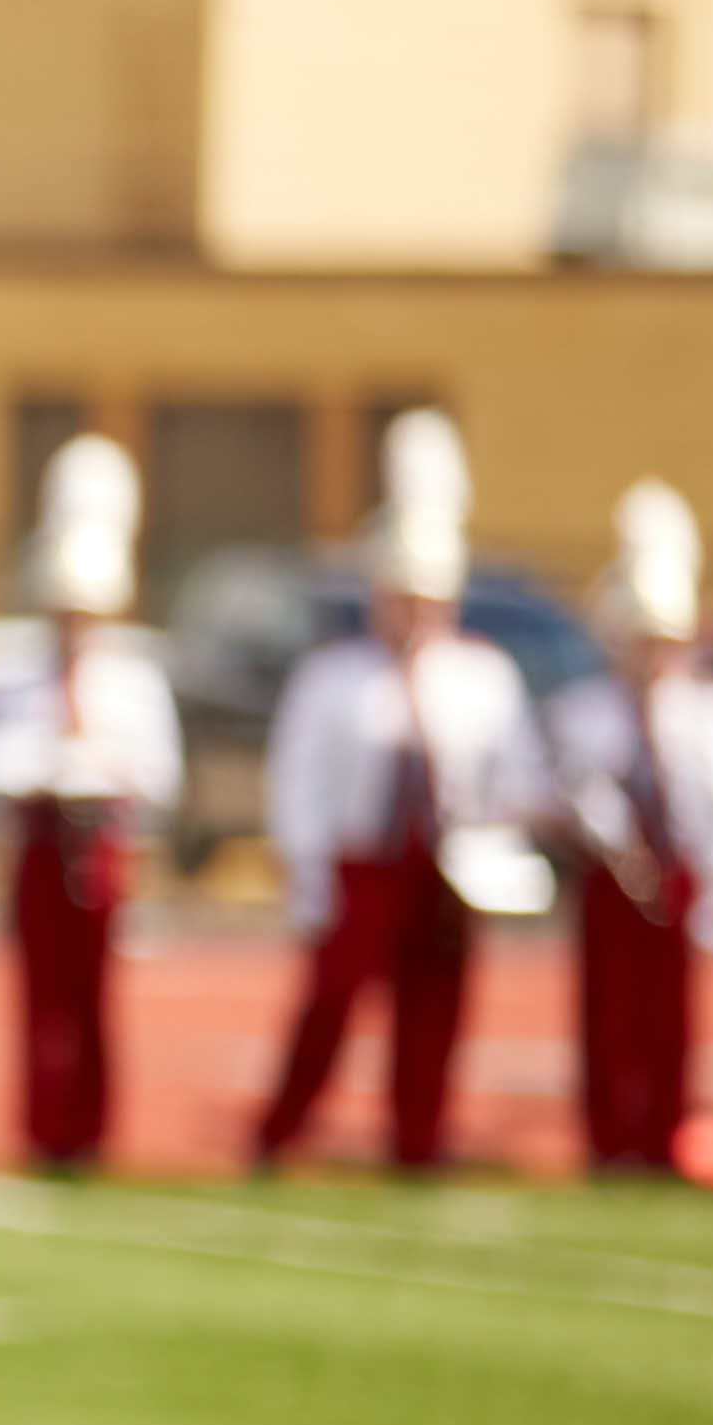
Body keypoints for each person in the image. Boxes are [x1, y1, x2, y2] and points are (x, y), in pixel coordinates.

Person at [250, 409, 548, 1179]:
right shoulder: (334, 677)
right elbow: (298, 780)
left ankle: (419, 1140)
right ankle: (280, 1134)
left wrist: (500, 848)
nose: (411, 615)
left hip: (446, 869)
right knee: (334, 1001)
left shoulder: (483, 678)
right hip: (362, 864)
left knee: (436, 1009)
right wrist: (308, 870)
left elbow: (515, 777)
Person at [0, 439, 179, 1176]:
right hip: (38, 845)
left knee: (95, 999)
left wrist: (102, 764)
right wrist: (40, 762)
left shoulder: (135, 678)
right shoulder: (12, 672)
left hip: (103, 848)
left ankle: (92, 1133)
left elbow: (161, 773)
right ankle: (41, 1130)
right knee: (36, 997)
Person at [550, 482, 713, 1179]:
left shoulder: (707, 709)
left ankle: (665, 1137)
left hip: (678, 877)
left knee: (671, 1023)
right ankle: (609, 1142)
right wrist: (604, 826)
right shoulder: (585, 709)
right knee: (608, 1019)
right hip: (612, 885)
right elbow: (571, 786)